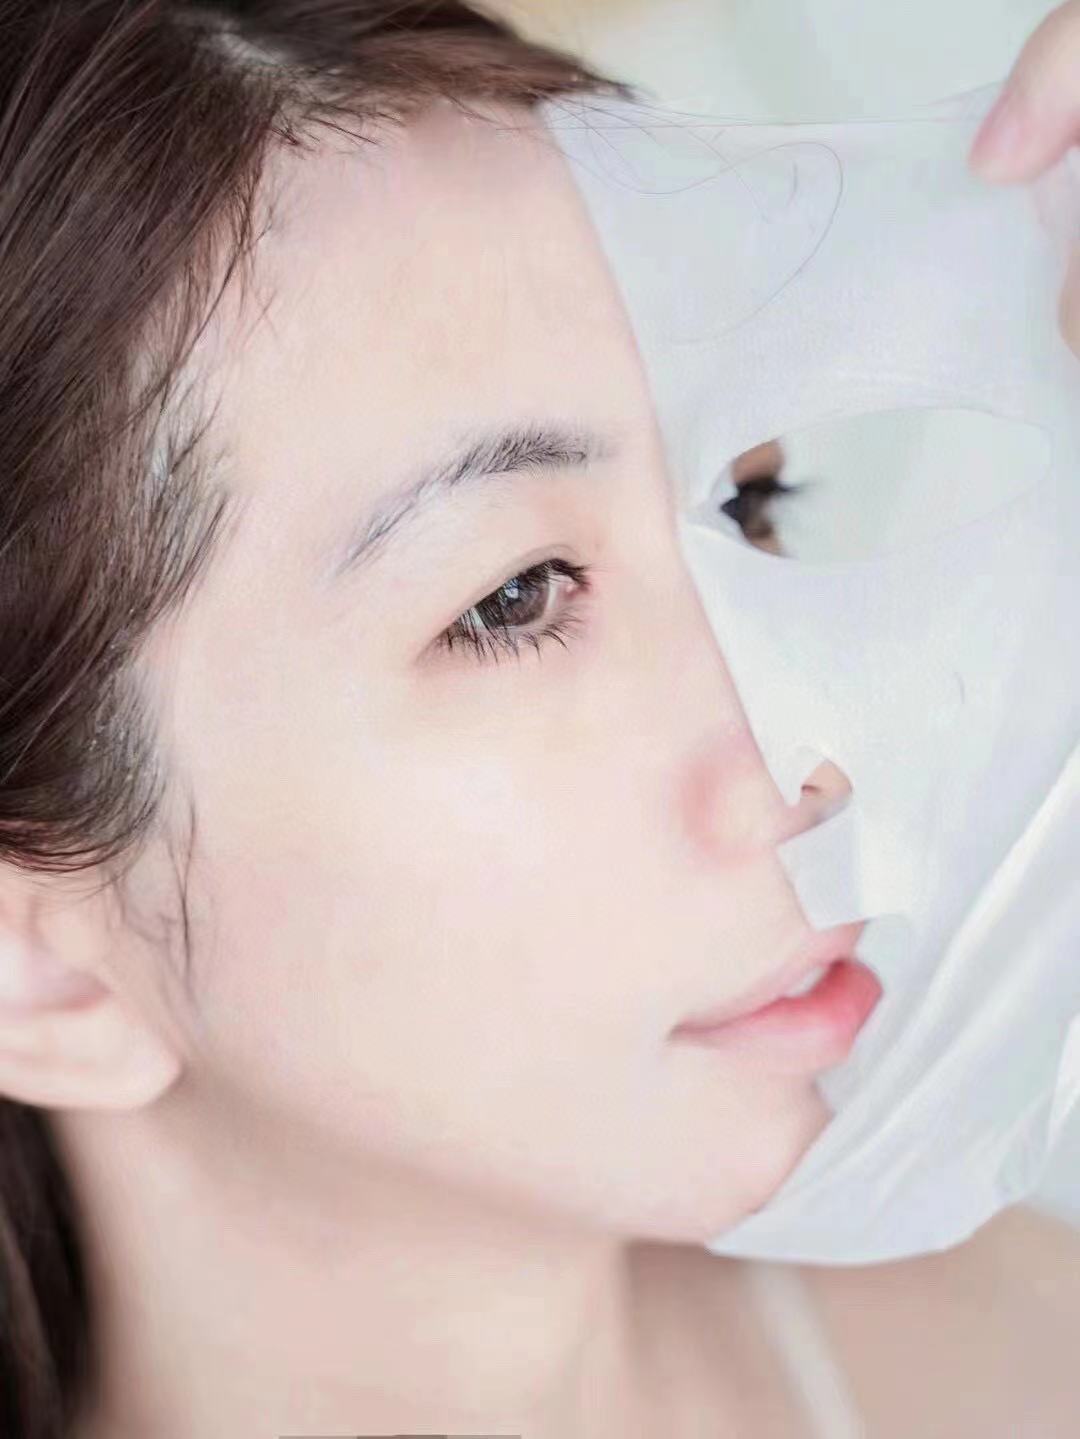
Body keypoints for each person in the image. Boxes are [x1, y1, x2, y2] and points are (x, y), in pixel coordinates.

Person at [0, 3, 1077, 1437]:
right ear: (39, 966)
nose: (817, 755)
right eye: (511, 600)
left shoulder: (1021, 1343)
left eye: (748, 504)